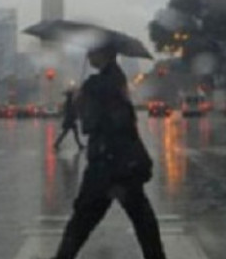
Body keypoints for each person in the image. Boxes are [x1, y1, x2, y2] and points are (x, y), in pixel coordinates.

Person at [51, 41, 165, 259]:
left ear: (104, 53)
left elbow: (90, 123)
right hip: (123, 160)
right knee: (141, 218)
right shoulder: (116, 79)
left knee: (83, 218)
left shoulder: (98, 84)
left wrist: (77, 99)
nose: (89, 55)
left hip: (107, 163)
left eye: (92, 51)